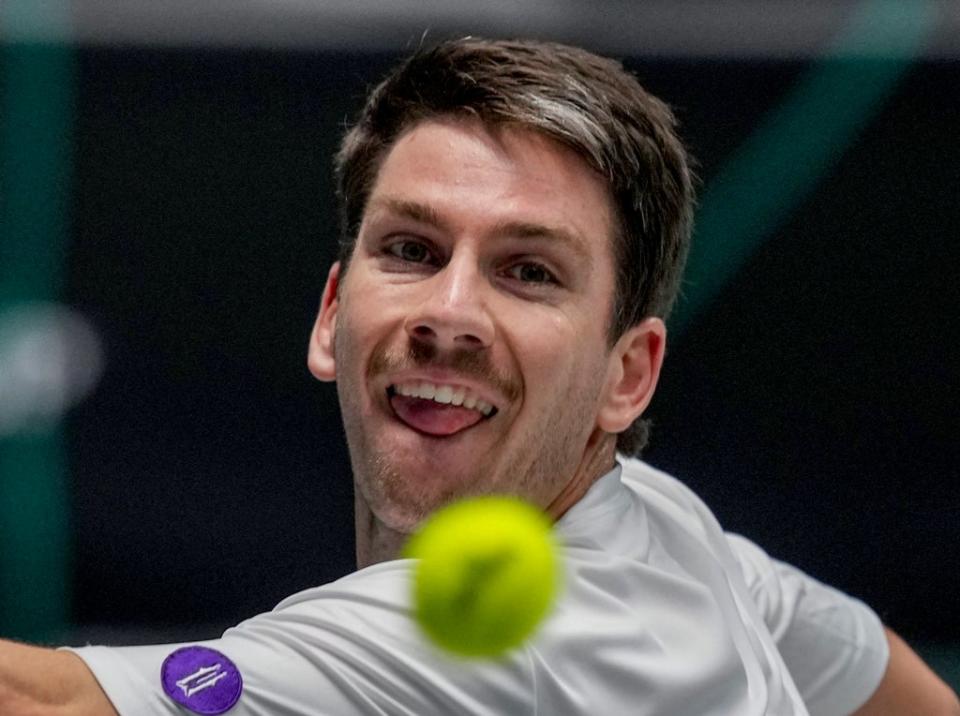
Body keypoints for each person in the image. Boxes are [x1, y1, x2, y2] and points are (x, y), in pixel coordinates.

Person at [1, 37, 957, 716]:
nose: (448, 314)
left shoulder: (501, 641)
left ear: (630, 376)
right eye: (413, 249)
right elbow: (872, 670)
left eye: (528, 271)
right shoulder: (668, 531)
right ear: (333, 314)